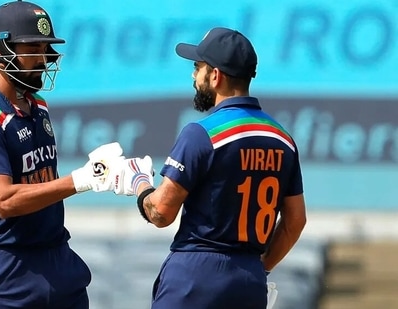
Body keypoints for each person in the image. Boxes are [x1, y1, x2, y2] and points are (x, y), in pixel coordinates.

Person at [113, 27, 307, 309]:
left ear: (216, 76)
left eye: (197, 67)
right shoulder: (283, 140)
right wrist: (260, 268)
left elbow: (161, 212)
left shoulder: (201, 133)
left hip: (195, 277)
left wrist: (139, 184)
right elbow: (295, 221)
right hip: (249, 281)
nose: (194, 76)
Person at [0, 1, 123, 308]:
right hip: (6, 273)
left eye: (45, 48)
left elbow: (40, 182)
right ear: (0, 52)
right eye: (32, 48)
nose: (43, 58)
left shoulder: (38, 106)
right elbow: (4, 201)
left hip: (57, 264)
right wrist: (82, 180)